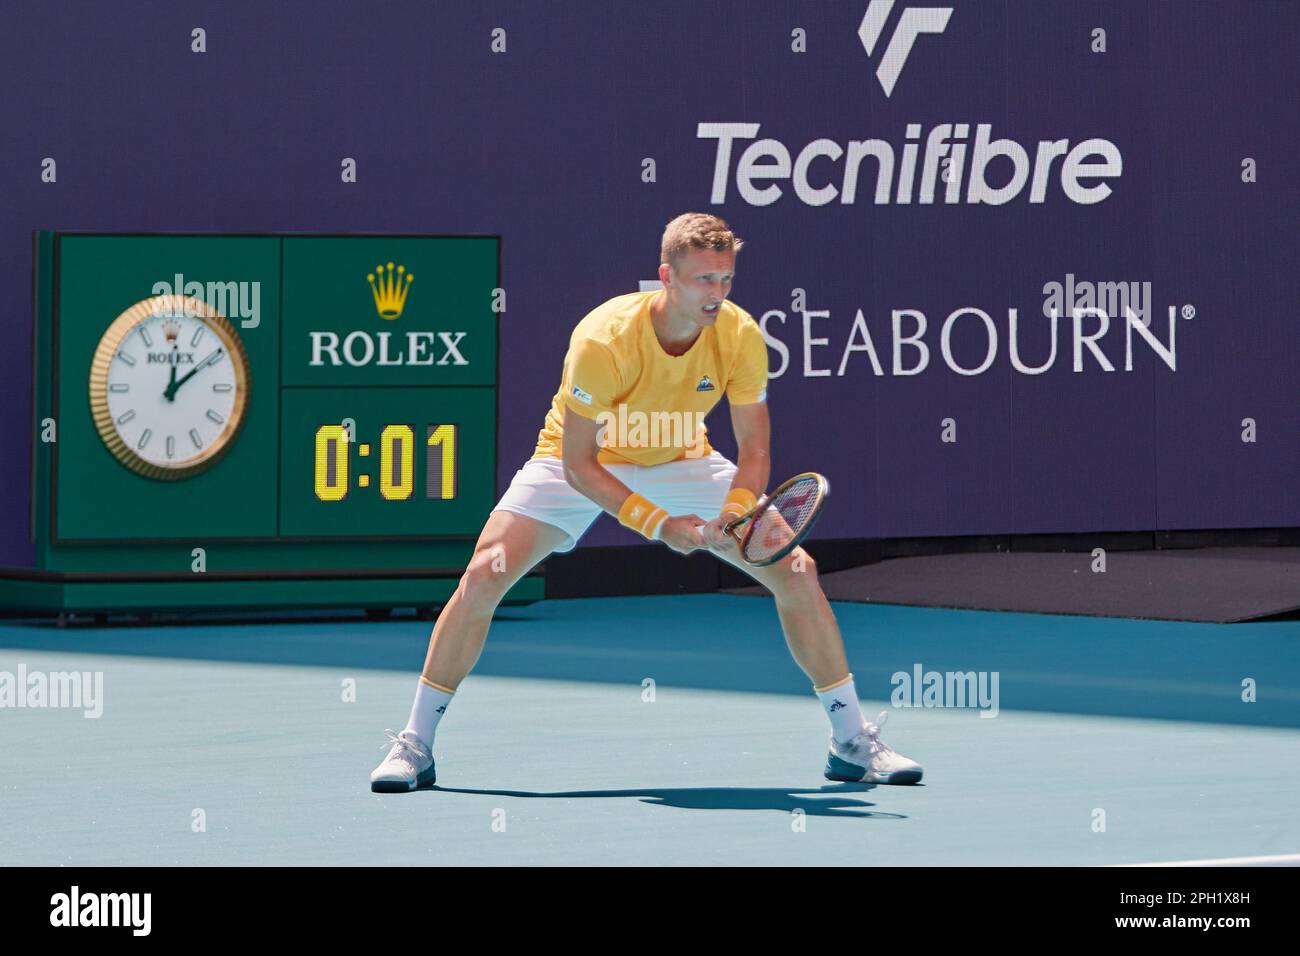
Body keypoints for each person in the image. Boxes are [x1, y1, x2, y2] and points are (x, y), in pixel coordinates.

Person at [370, 213, 922, 792]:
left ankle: (852, 741)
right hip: (582, 460)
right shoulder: (603, 340)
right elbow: (579, 463)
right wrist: (657, 524)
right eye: (704, 279)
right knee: (485, 574)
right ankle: (416, 744)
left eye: (726, 279)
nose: (717, 294)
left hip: (683, 459)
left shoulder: (739, 335)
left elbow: (756, 447)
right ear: (667, 276)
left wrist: (735, 506)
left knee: (796, 570)